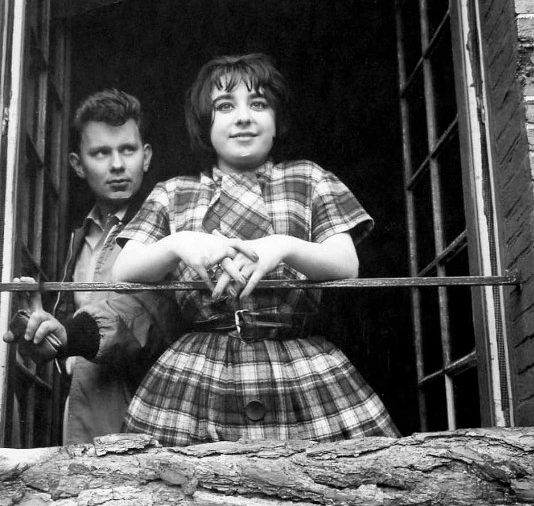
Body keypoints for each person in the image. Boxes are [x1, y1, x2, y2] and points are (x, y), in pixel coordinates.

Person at [111, 53, 399, 446]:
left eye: (259, 104)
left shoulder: (310, 179)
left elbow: (346, 264)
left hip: (300, 364)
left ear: (278, 120)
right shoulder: (173, 193)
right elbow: (123, 270)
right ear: (204, 124)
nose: (243, 117)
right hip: (200, 370)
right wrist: (179, 243)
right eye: (225, 106)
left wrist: (283, 247)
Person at [4, 89, 178, 444]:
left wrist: (69, 333)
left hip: (147, 412)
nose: (117, 164)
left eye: (127, 150)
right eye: (101, 152)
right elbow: (62, 342)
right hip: (81, 414)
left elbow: (146, 316)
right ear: (77, 164)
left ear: (145, 157)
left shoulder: (170, 229)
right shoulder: (76, 238)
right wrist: (41, 333)